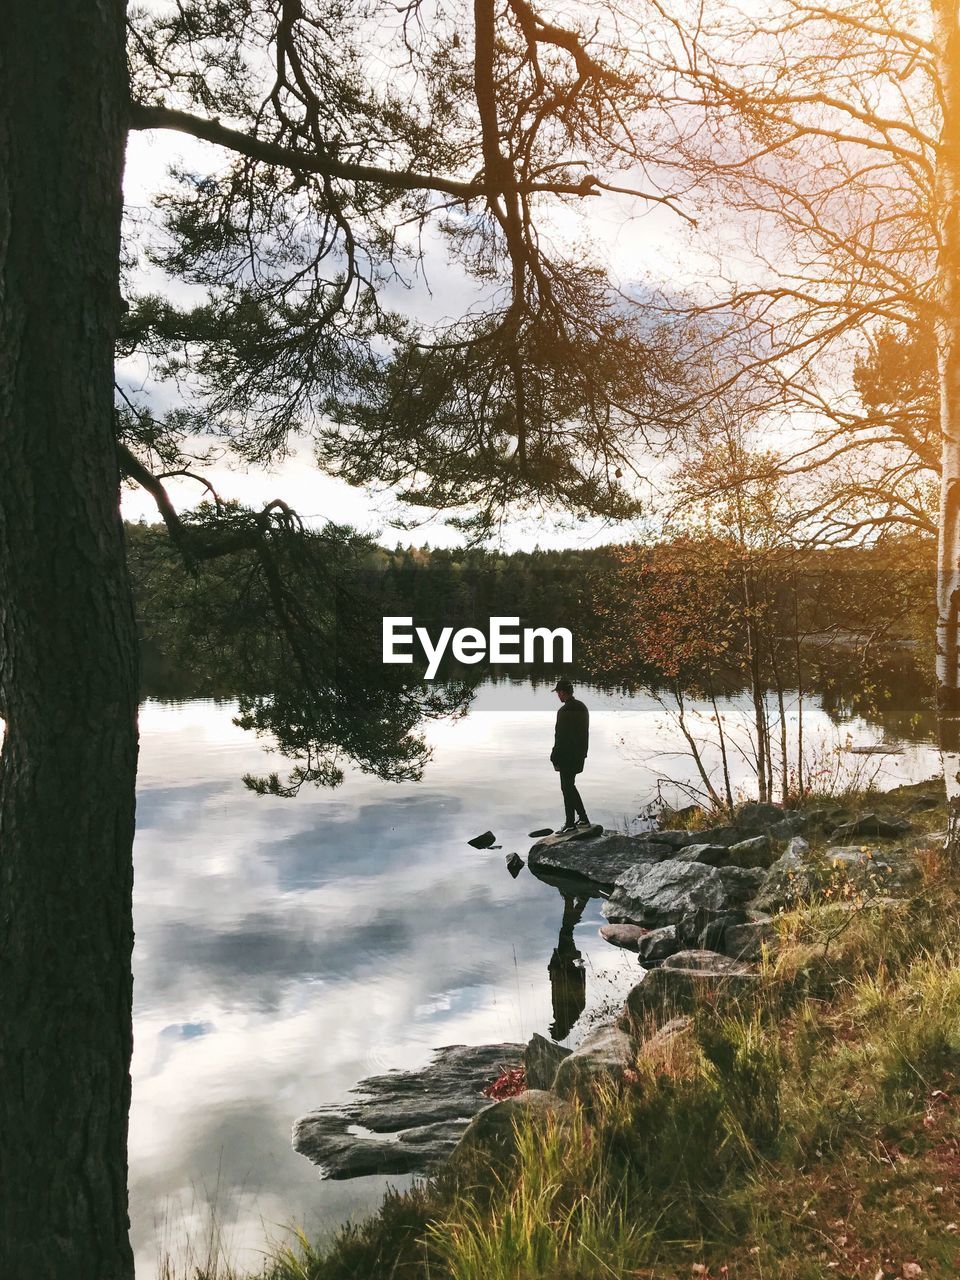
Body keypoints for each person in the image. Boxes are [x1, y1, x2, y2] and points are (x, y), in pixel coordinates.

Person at [549, 677, 590, 833]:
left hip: (566, 756)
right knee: (570, 786)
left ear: (562, 692)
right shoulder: (582, 707)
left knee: (566, 788)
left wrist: (554, 757)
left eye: (558, 692)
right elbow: (583, 734)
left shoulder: (564, 711)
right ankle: (583, 818)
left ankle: (570, 824)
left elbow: (560, 737)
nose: (557, 696)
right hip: (579, 755)